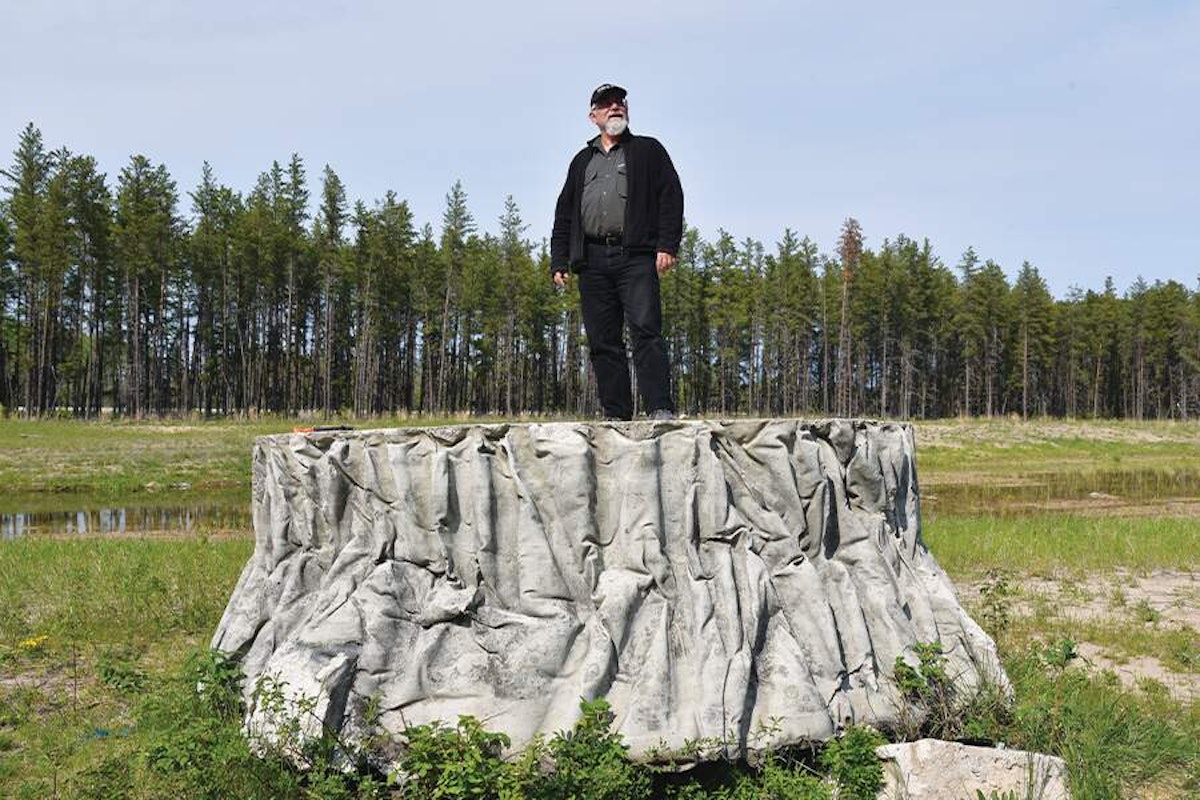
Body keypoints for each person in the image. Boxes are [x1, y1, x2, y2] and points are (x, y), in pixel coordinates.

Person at [551, 83, 683, 421]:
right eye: (606, 104)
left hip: (636, 256)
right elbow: (565, 213)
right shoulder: (582, 161)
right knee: (603, 340)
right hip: (592, 261)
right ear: (592, 116)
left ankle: (660, 408)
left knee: (645, 330)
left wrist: (667, 244)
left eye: (619, 102)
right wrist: (559, 259)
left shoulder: (648, 151)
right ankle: (617, 413)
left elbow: (671, 196)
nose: (615, 107)